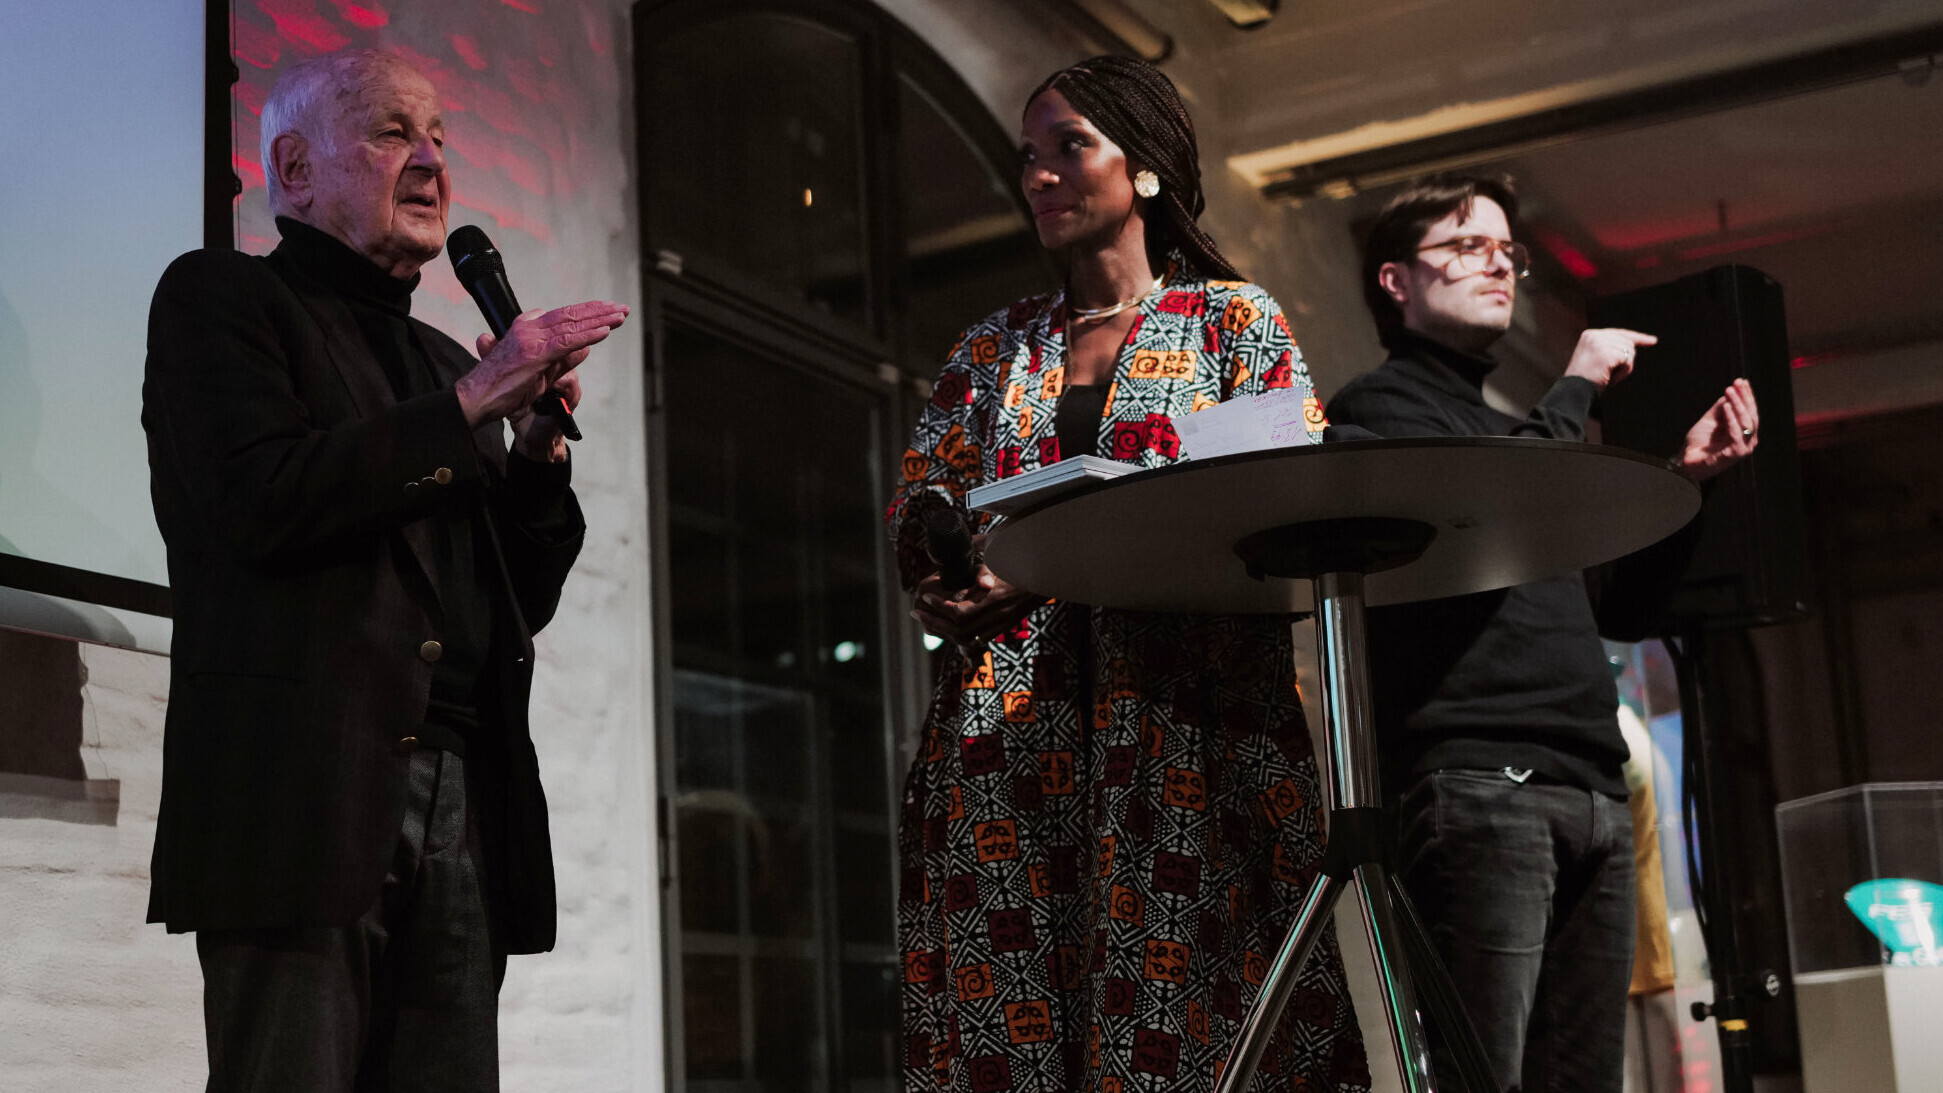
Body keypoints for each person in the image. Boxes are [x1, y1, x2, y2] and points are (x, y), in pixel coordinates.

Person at [142, 48, 627, 1091]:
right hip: (301, 795)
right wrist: (467, 410)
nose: (430, 161)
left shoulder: (449, 365)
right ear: (294, 166)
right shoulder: (222, 300)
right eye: (390, 131)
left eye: (440, 136)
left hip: (460, 795)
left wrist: (536, 461)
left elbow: (505, 607)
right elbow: (262, 501)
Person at [889, 55, 1369, 1093]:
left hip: (1185, 726)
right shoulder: (990, 350)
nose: (1041, 175)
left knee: (1193, 1027)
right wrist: (942, 567)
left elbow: (1289, 505)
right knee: (1006, 1031)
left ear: (1144, 168)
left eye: (1070, 146)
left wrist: (1045, 562)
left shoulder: (1230, 324)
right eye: (1028, 156)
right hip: (1008, 741)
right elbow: (920, 504)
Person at [1326, 172, 1759, 1092]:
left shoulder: (1511, 436)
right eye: (1465, 245)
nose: (1496, 264)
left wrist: (1685, 483)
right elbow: (1491, 504)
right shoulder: (1380, 411)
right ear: (1396, 281)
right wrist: (1574, 383)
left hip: (1589, 788)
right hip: (1486, 786)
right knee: (1482, 1071)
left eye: (1504, 250)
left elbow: (1617, 610)